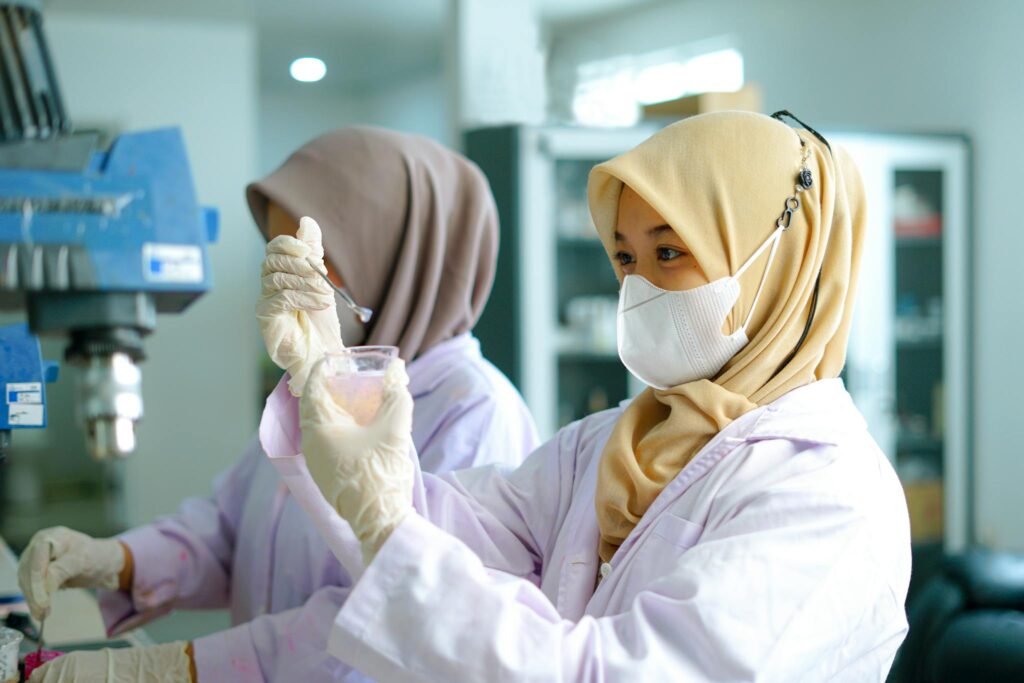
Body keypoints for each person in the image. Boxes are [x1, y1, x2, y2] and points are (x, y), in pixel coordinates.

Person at [286, 111, 912, 681]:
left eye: (670, 252)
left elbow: (612, 673)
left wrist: (384, 517)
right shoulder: (610, 443)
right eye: (625, 257)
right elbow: (443, 530)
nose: (637, 287)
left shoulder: (827, 493)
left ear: (782, 262)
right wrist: (323, 376)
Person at [19, 127, 539, 682]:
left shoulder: (474, 411)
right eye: (281, 259)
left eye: (314, 263)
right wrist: (113, 560)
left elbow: (403, 619)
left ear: (394, 258)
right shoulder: (321, 378)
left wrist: (178, 667)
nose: (291, 289)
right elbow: (227, 529)